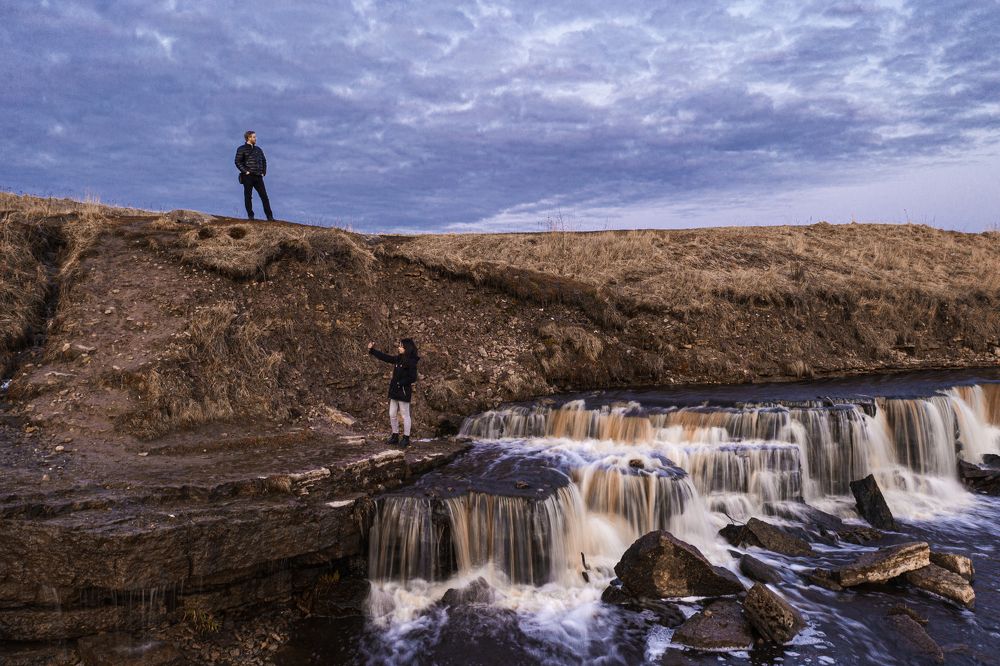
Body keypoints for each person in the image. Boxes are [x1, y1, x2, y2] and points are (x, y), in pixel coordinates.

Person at [367, 338, 419, 447]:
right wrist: (373, 351)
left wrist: (401, 383)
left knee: (405, 415)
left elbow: (413, 378)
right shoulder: (398, 358)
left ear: (407, 348)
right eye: (399, 346)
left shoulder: (411, 362)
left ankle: (406, 438)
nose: (399, 348)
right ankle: (395, 436)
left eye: (401, 346)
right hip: (394, 391)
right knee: (392, 414)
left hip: (403, 391)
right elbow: (386, 358)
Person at [234, 130, 274, 221]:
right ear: (249, 138)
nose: (256, 138)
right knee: (248, 196)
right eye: (254, 137)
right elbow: (237, 161)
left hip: (259, 176)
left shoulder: (258, 149)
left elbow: (264, 161)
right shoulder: (241, 148)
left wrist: (264, 172)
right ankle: (251, 216)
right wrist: (245, 171)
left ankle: (270, 217)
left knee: (264, 196)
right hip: (247, 176)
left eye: (255, 137)